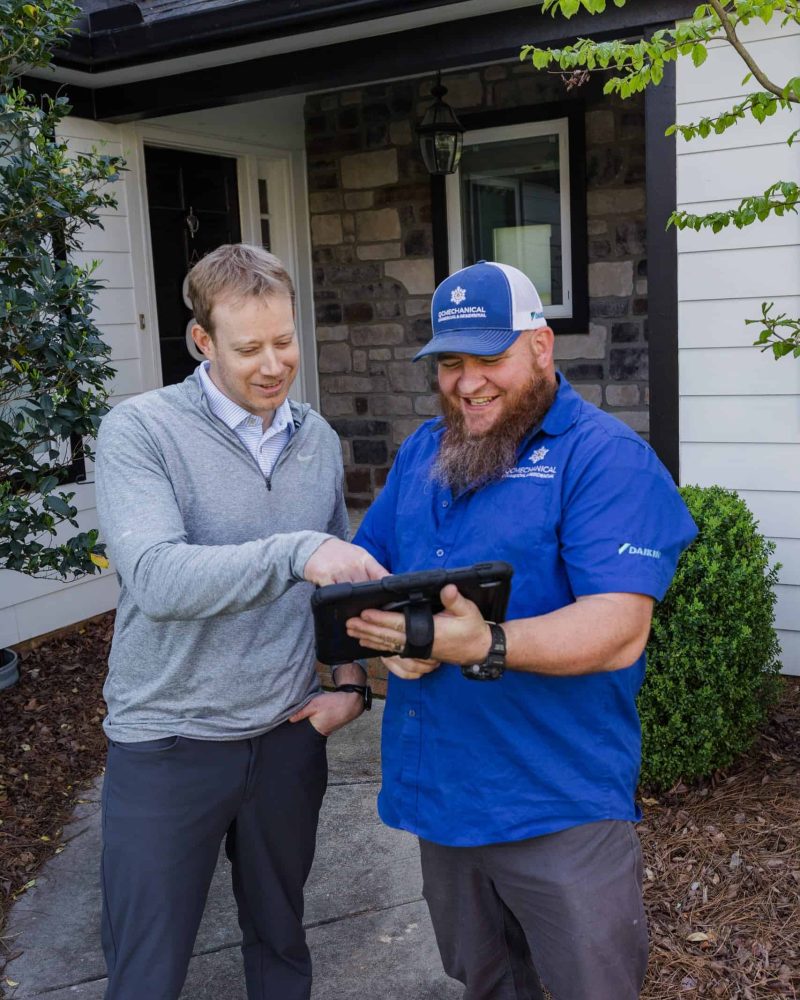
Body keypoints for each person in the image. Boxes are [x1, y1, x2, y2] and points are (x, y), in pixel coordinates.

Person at [346, 260, 698, 1000]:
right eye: (450, 362)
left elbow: (620, 626)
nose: (467, 381)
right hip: (440, 797)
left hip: (556, 803)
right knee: (486, 982)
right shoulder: (422, 454)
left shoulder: (605, 460)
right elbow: (368, 569)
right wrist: (388, 647)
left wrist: (487, 644)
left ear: (541, 346)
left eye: (490, 357)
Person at [94, 243, 384, 1000]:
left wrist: (349, 686)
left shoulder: (316, 438)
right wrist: (295, 552)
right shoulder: (141, 432)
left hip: (286, 737)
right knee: (147, 971)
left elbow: (335, 577)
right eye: (248, 347)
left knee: (282, 945)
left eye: (284, 342)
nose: (272, 363)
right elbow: (156, 577)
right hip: (169, 741)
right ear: (202, 342)